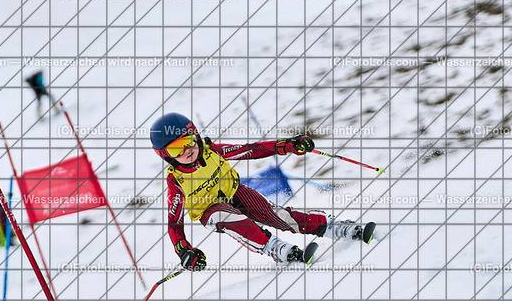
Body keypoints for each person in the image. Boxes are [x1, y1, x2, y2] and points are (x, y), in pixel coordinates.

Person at [150, 112, 376, 271]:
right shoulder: (176, 181)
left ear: (196, 136)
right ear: (166, 155)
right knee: (227, 216)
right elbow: (174, 223)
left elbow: (251, 150)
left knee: (280, 216)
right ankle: (277, 249)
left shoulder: (213, 152)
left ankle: (339, 228)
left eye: (189, 140)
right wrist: (185, 251)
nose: (187, 150)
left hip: (236, 193)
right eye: (176, 149)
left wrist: (288, 145)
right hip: (210, 211)